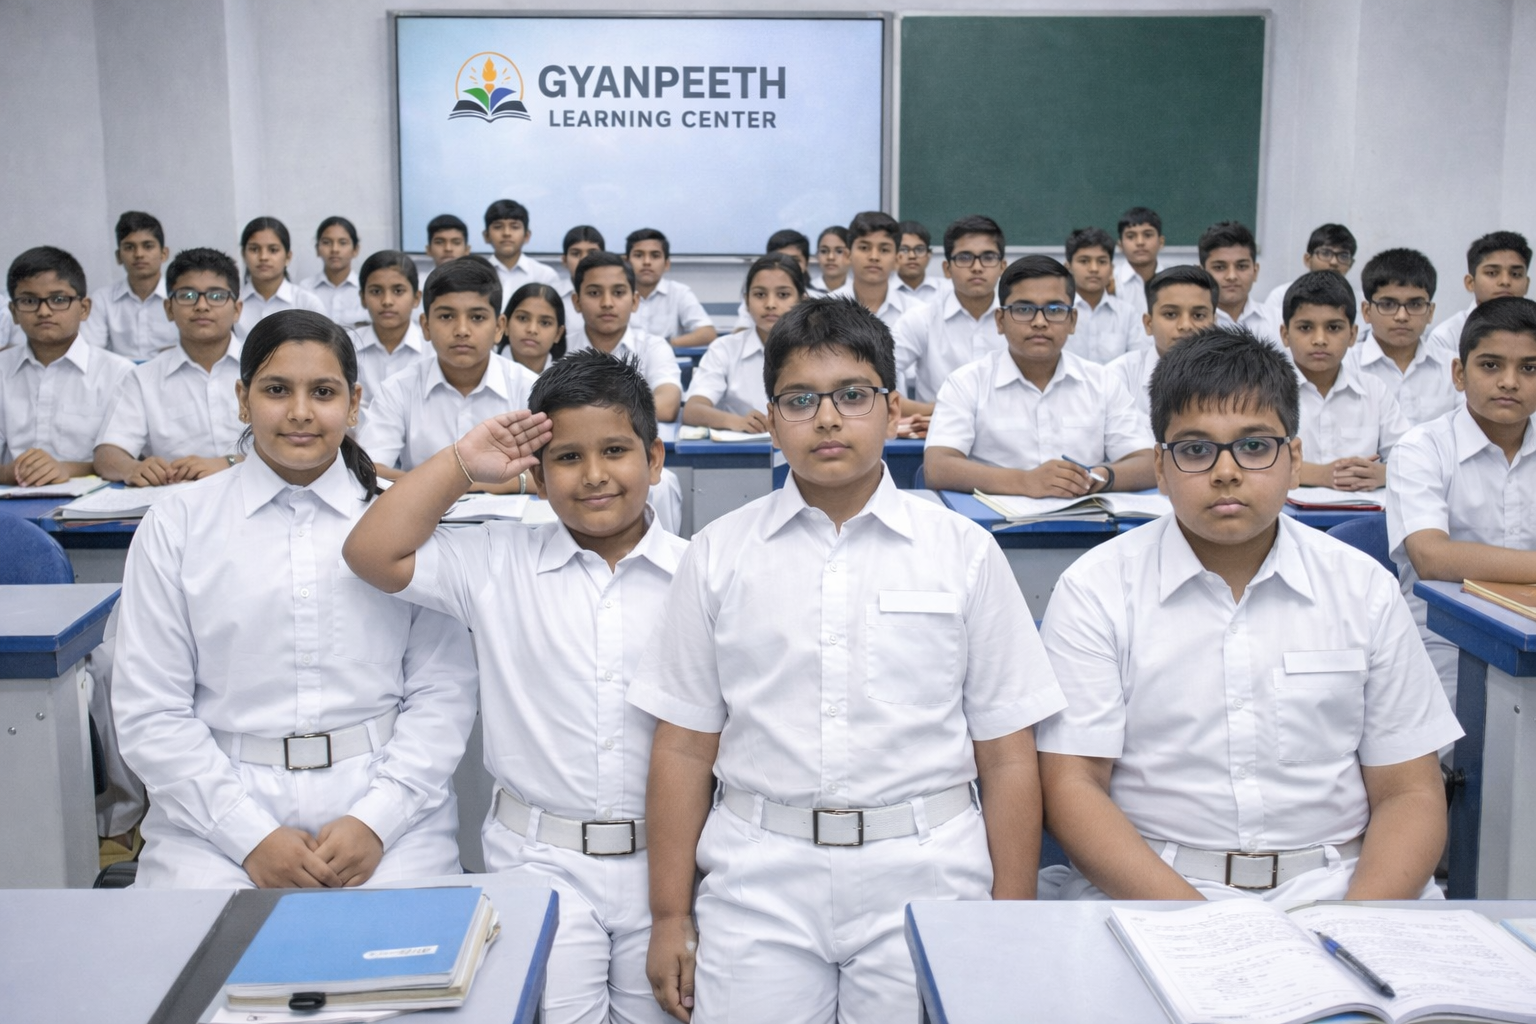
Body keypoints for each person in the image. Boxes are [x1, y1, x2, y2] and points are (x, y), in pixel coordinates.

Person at [631, 297, 1066, 1023]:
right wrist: (670, 915)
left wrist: (1007, 918)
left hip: (926, 871)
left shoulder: (960, 550)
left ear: (894, 411)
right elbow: (681, 747)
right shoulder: (719, 554)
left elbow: (1007, 755)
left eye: (852, 396)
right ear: (770, 420)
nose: (826, 419)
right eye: (799, 400)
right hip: (759, 874)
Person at [1036, 327, 1463, 903]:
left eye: (1255, 446)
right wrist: (1204, 926)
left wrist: (1359, 923)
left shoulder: (1363, 588)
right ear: (1160, 467)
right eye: (1195, 449)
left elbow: (1409, 792)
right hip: (1156, 890)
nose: (1226, 471)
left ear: (1294, 458)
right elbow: (1074, 785)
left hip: (1341, 886)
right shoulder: (1097, 589)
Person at [344, 348, 683, 1024]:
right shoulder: (497, 560)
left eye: (615, 450)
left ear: (654, 459)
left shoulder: (702, 575)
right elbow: (371, 552)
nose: (593, 476)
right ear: (534, 471)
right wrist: (462, 466)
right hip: (539, 863)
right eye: (565, 457)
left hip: (668, 866)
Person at [112, 309, 478, 889]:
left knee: (403, 971)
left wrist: (375, 821)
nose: (301, 412)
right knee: (198, 971)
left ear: (354, 404)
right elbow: (150, 709)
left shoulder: (401, 520)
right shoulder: (179, 522)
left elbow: (444, 692)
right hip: (214, 815)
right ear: (242, 398)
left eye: (324, 392)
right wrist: (248, 836)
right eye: (277, 390)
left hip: (387, 810)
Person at [1387, 296, 1536, 706]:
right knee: (1466, 743)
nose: (1509, 381)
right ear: (1458, 373)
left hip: (1532, 635)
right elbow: (1432, 557)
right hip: (1444, 638)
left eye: (1529, 368)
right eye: (1490, 365)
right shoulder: (1422, 448)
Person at [924, 255, 1155, 498]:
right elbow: (937, 467)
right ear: (1000, 321)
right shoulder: (966, 383)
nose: (1039, 322)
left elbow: (1148, 462)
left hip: (1088, 522)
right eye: (1023, 309)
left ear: (1072, 320)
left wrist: (1098, 477)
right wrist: (1025, 482)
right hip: (991, 526)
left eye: (1055, 310)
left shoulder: (1102, 382)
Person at [358, 257, 538, 488]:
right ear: (425, 326)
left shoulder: (529, 387)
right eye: (446, 316)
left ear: (499, 327)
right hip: (423, 518)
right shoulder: (399, 389)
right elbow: (371, 469)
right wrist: (460, 484)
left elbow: (553, 471)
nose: (462, 330)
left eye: (477, 317)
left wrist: (496, 486)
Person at [94, 247, 247, 485]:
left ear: (237, 309)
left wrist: (227, 462)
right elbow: (108, 454)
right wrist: (132, 467)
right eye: (187, 296)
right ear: (168, 309)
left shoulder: (264, 368)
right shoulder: (143, 378)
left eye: (216, 296)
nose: (202, 306)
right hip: (177, 504)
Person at [2, 246, 133, 485]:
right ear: (14, 312)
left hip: (95, 507)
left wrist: (67, 469)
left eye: (58, 299)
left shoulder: (119, 373)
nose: (44, 311)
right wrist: (12, 473)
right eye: (29, 300)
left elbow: (131, 458)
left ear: (84, 308)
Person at [1280, 272, 1407, 491]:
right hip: (1288, 515)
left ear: (1352, 335)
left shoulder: (1374, 390)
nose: (1320, 340)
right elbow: (1252, 460)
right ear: (1285, 334)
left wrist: (1382, 474)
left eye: (1333, 328)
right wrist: (1323, 475)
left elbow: (1410, 458)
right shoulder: (1265, 391)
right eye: (1305, 327)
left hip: (1364, 513)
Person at [891, 214, 1006, 418]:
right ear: (947, 269)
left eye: (988, 257)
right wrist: (932, 412)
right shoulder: (922, 319)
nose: (977, 267)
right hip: (938, 434)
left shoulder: (1021, 319)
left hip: (1009, 433)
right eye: (964, 257)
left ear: (1002, 267)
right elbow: (873, 383)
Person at [683, 254, 802, 432]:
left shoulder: (816, 350)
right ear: (746, 301)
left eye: (783, 295)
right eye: (760, 294)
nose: (770, 304)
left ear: (802, 300)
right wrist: (736, 422)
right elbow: (692, 411)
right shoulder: (725, 349)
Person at [566, 252, 683, 422]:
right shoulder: (560, 348)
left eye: (618, 292)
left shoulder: (653, 347)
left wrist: (591, 416)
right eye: (594, 293)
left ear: (635, 301)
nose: (607, 303)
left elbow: (667, 406)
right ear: (576, 302)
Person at [1349, 248, 1460, 426]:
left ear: (1430, 312)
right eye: (1388, 304)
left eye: (1415, 304)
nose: (1402, 316)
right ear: (1366, 311)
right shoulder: (1345, 367)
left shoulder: (1454, 367)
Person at [1107, 264, 1219, 429]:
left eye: (1198, 315)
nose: (1185, 325)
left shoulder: (1236, 379)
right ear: (1148, 323)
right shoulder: (1117, 378)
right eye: (1171, 314)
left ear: (1214, 324)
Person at [79, 211, 180, 360]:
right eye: (129, 247)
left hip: (172, 377)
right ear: (119, 256)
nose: (139, 254)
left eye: (148, 246)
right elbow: (90, 352)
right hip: (118, 379)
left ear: (164, 254)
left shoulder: (181, 297)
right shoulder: (102, 299)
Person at [1425, 231, 1530, 356]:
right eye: (1492, 273)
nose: (1505, 281)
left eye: (1515, 274)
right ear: (1470, 283)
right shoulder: (1446, 337)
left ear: (1526, 284)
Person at [353, 249, 429, 408]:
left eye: (398, 291)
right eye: (376, 291)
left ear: (416, 298)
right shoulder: (347, 346)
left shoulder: (433, 349)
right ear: (362, 298)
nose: (387, 301)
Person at [235, 216, 326, 338]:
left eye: (273, 250)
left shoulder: (307, 303)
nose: (263, 257)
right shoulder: (232, 303)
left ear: (288, 257)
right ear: (243, 254)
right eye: (254, 249)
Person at [625, 228, 716, 350]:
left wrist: (662, 346)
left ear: (667, 264)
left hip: (667, 363)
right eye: (639, 255)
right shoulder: (615, 294)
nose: (646, 262)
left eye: (655, 255)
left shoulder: (679, 292)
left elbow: (707, 333)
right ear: (627, 263)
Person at [1200, 220, 1282, 348]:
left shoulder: (1279, 321)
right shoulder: (1192, 326)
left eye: (1242, 266)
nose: (1232, 276)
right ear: (1202, 273)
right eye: (1219, 267)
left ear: (1255, 271)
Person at [1063, 226, 1139, 364]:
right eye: (1084, 261)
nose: (1094, 269)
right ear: (1068, 268)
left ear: (1112, 269)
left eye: (1102, 261)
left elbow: (1137, 364)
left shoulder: (1127, 314)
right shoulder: (1057, 312)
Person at [830, 212, 920, 328]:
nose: (874, 257)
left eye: (884, 250)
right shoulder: (826, 310)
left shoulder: (917, 313)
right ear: (848, 255)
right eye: (864, 248)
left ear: (897, 259)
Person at [1262, 223, 1358, 313]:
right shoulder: (1281, 297)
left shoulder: (1360, 302)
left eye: (1343, 256)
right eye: (1325, 253)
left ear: (1351, 264)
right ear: (1308, 259)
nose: (1334, 262)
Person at [483, 198, 560, 302]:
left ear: (527, 236)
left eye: (514, 227)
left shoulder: (545, 276)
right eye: (498, 227)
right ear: (486, 236)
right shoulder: (475, 275)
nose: (506, 233)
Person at [301, 216, 368, 328]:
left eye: (342, 243)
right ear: (317, 249)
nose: (334, 249)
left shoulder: (365, 288)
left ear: (355, 250)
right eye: (327, 242)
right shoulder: (305, 288)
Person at [501, 281, 568, 375]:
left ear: (558, 334)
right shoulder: (483, 371)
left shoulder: (569, 380)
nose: (532, 330)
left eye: (545, 323)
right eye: (522, 318)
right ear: (505, 325)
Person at [1113, 207, 1165, 317]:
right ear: (1120, 245)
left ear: (1161, 242)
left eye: (1147, 235)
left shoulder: (1174, 280)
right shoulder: (1110, 282)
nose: (1140, 242)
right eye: (1131, 236)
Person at [557, 225, 606, 326]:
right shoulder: (553, 295)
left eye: (592, 253)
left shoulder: (619, 295)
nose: (584, 260)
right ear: (565, 260)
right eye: (576, 254)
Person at [894, 219, 940, 304]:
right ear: (893, 254)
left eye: (919, 249)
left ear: (929, 254)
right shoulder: (882, 292)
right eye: (904, 249)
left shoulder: (945, 290)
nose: (912, 256)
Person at [812, 226, 851, 294]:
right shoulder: (807, 292)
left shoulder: (859, 292)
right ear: (817, 255)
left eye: (839, 251)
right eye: (824, 251)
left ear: (851, 255)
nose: (830, 257)